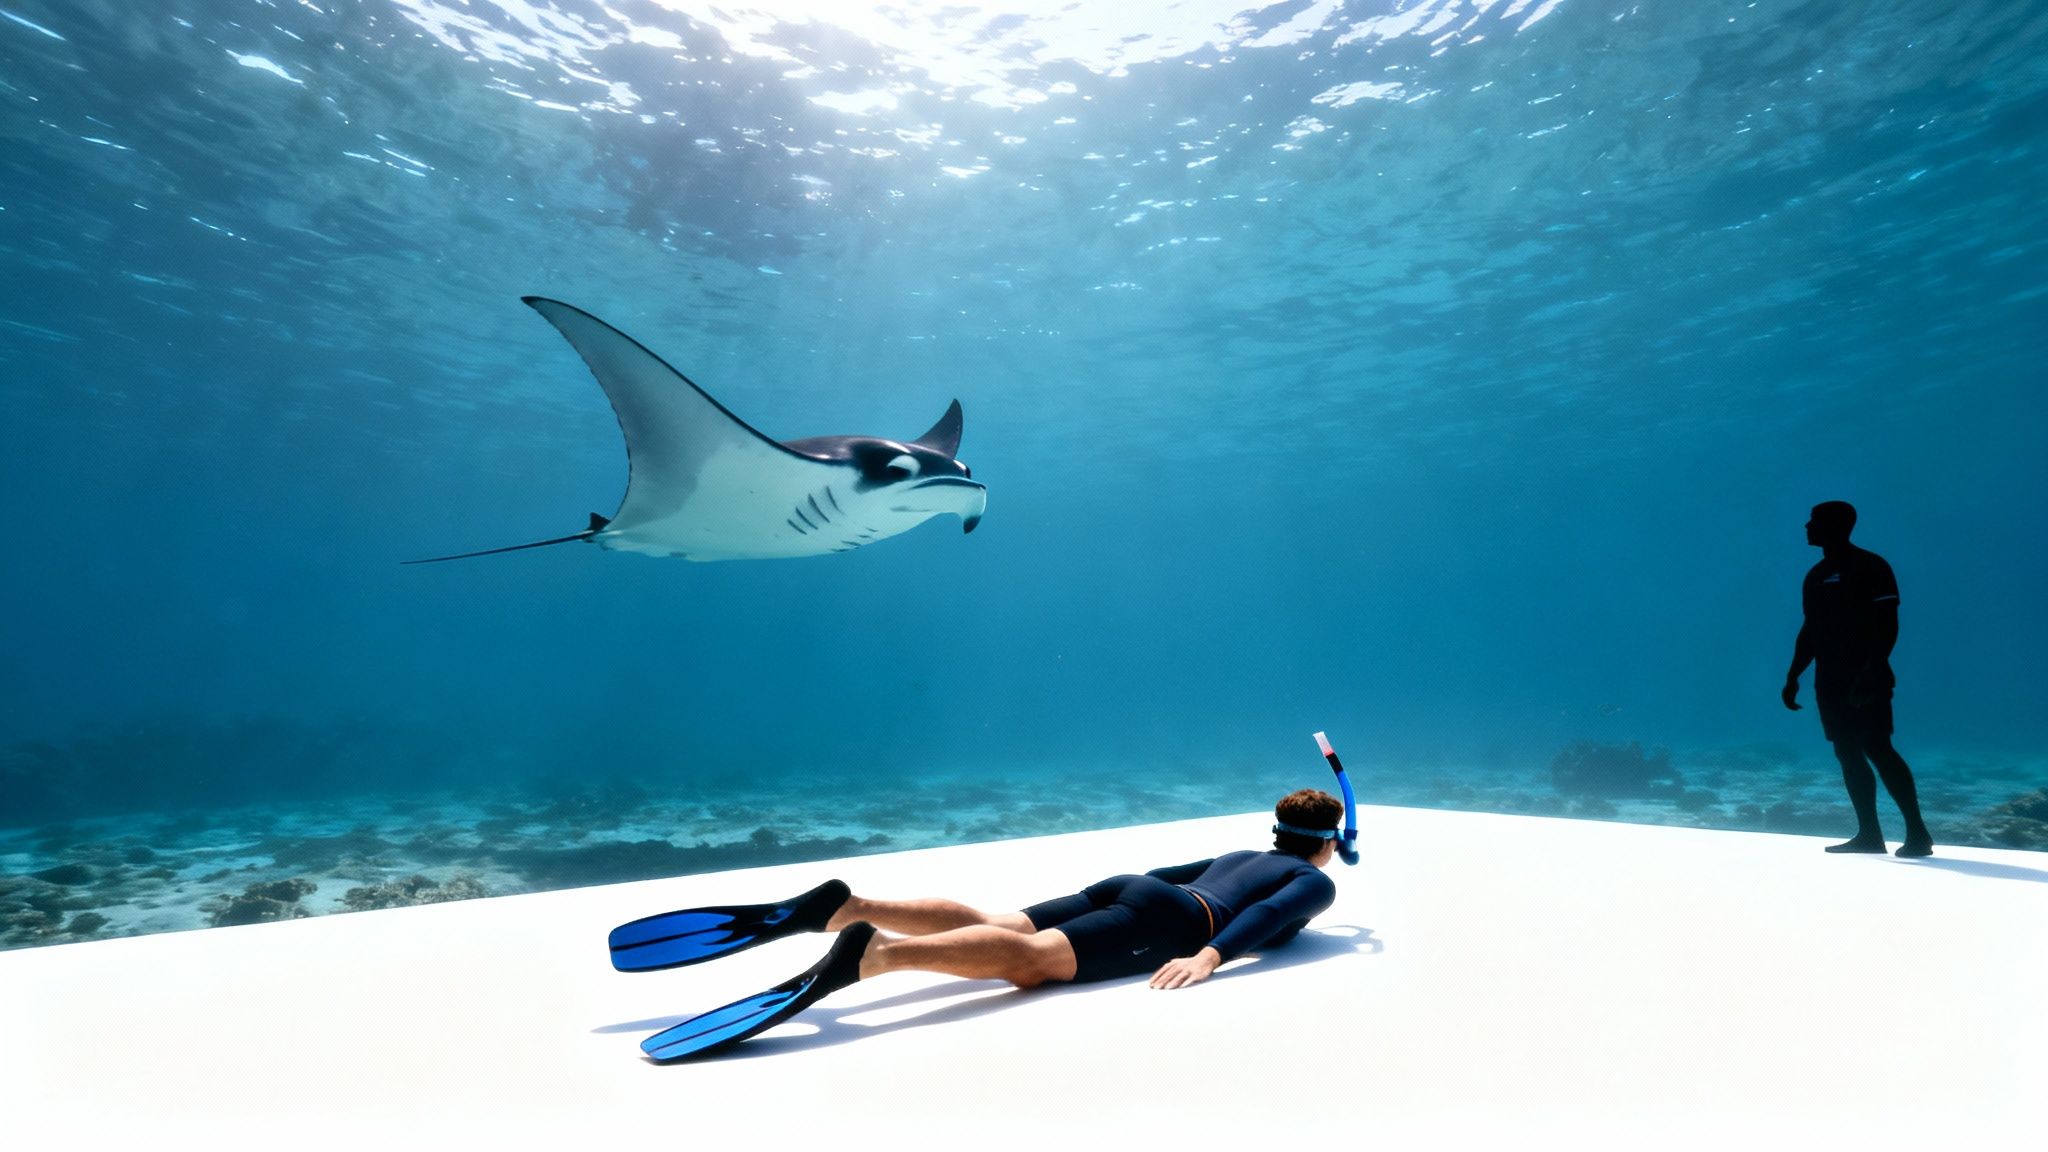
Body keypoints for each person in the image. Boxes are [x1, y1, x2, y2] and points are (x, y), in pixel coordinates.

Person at [622, 788, 1348, 1060]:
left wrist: (1128, 902)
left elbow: (1184, 872)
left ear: (1275, 828)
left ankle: (849, 909)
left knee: (995, 922)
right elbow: (1269, 912)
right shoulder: (1314, 878)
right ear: (1326, 840)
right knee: (1028, 962)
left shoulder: (1243, 847)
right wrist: (1212, 958)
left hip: (1137, 885)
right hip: (1169, 918)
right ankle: (875, 955)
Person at [1781, 500, 1933, 857]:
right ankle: (1869, 834)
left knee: (1877, 747)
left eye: (1814, 521)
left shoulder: (1871, 566)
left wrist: (1873, 668)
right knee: (1846, 751)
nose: (1806, 526)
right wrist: (1793, 675)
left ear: (1835, 526)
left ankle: (1918, 834)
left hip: (1866, 675)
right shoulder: (1815, 576)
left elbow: (1888, 623)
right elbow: (1810, 630)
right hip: (1829, 678)